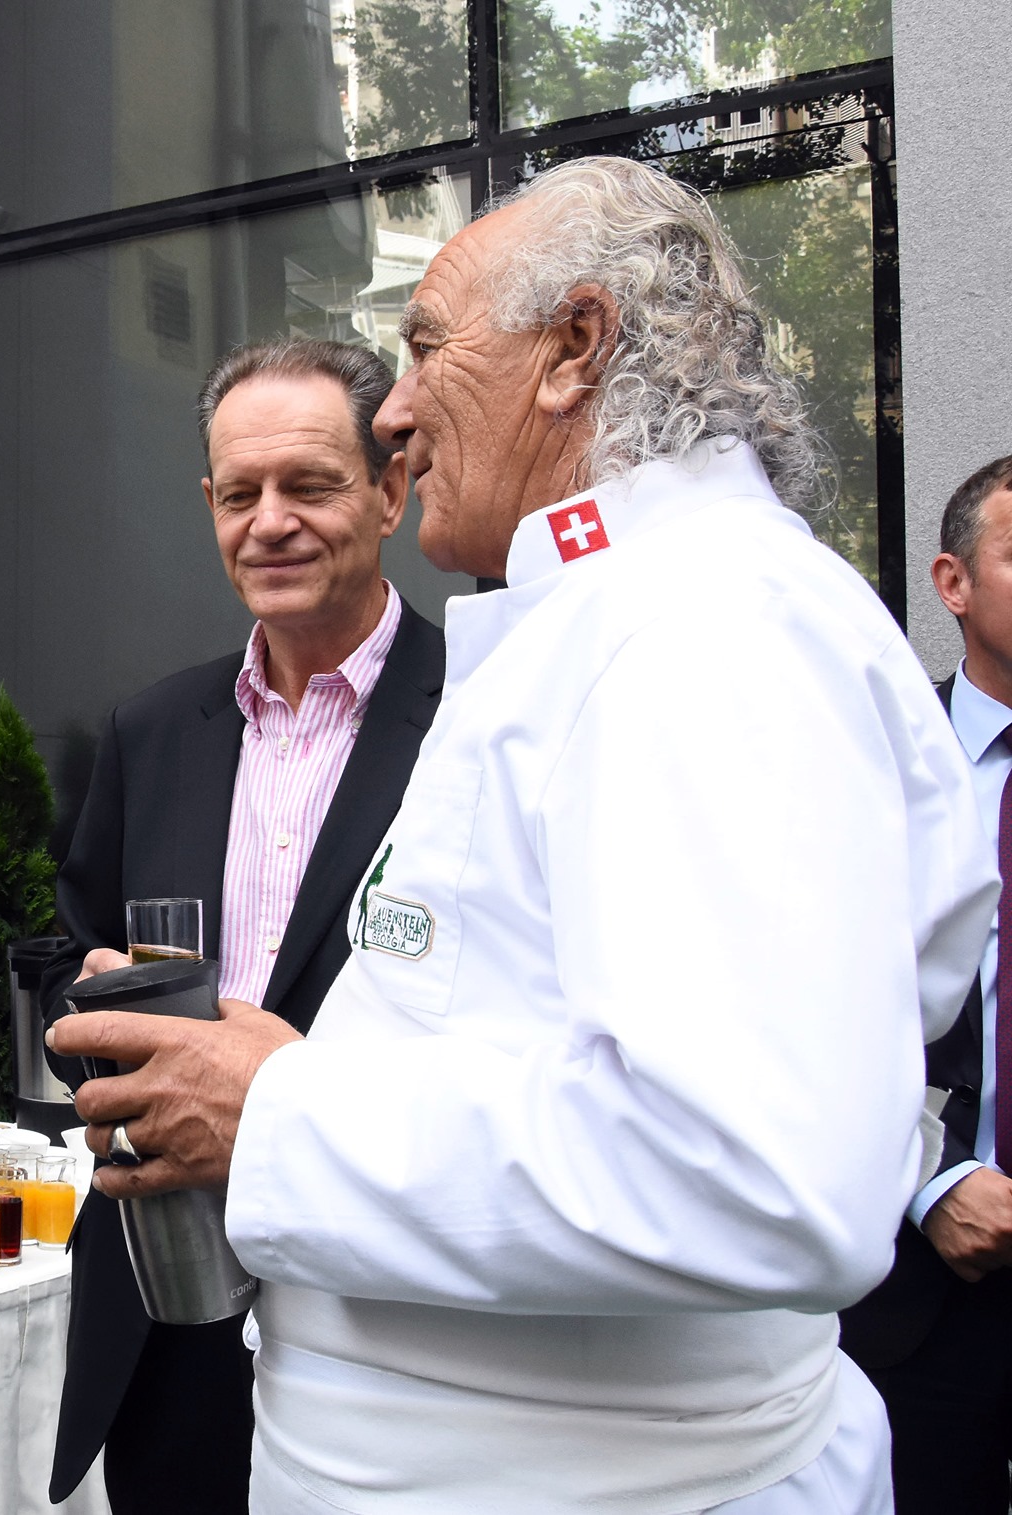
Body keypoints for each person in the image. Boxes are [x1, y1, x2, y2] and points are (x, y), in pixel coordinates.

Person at [50, 157, 997, 1514]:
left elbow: (763, 1173)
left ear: (574, 348)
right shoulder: (632, 612)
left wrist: (282, 1107)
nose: (396, 411)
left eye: (426, 345)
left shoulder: (707, 629)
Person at [42, 338, 445, 1513]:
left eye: (307, 484)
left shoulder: (480, 716)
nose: (269, 522)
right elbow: (71, 949)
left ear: (388, 491)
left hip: (379, 1318)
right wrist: (98, 1010)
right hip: (166, 1312)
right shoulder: (152, 728)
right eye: (237, 493)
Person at [842, 453, 1012, 1513]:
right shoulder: (873, 769)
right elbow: (817, 1005)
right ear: (951, 582)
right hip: (926, 1288)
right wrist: (931, 1179)